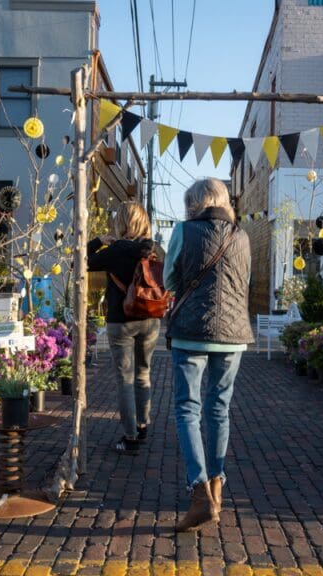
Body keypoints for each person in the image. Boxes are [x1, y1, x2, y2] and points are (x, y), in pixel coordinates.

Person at [164, 179, 253, 532]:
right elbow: (244, 282)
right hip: (233, 335)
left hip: (190, 332)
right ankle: (217, 486)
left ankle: (199, 492)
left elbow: (170, 281)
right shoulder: (242, 235)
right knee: (220, 408)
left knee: (188, 409)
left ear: (194, 203)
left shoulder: (184, 232)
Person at [87, 202, 161, 455]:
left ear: (122, 223)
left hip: (121, 320)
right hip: (150, 318)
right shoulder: (153, 249)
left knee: (125, 380)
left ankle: (129, 437)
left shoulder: (115, 250)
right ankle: (142, 426)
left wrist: (98, 241)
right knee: (143, 373)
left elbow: (84, 259)